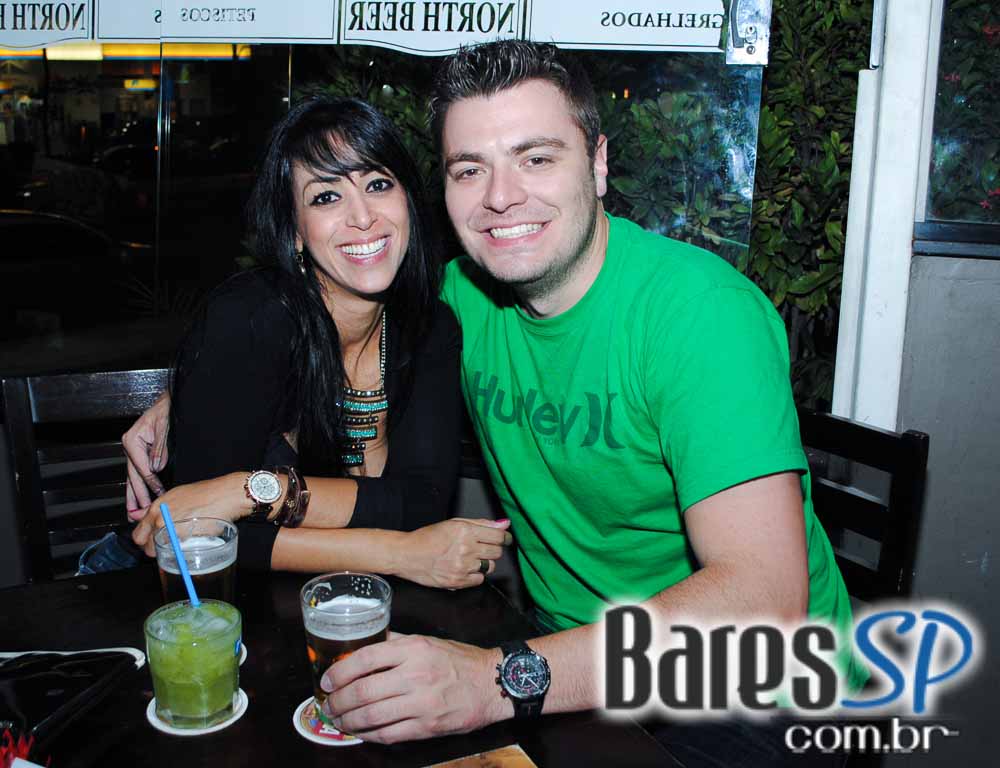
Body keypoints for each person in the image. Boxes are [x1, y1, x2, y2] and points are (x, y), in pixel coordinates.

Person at [125, 43, 862, 764]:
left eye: (536, 158)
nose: (501, 197)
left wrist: (495, 681)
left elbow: (764, 597)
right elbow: (326, 326)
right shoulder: (462, 301)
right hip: (568, 655)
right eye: (470, 169)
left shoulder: (700, 316)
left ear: (599, 164)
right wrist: (184, 396)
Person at [125, 95, 510, 589]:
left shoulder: (429, 326)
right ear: (295, 231)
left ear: (409, 203)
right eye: (326, 197)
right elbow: (201, 533)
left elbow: (419, 502)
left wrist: (247, 492)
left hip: (355, 604)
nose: (363, 217)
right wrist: (400, 554)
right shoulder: (250, 322)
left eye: (377, 185)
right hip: (214, 605)